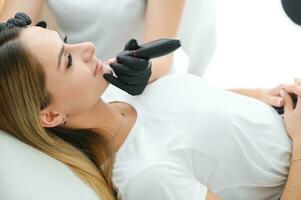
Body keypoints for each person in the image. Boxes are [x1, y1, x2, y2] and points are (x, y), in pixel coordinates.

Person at [1, 19, 301, 200]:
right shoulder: (147, 177)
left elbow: (196, 114)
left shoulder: (120, 90)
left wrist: (261, 96)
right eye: (67, 60)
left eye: (66, 42)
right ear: (51, 115)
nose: (88, 47)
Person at [0, 0, 185, 94]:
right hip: (77, 87)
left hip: (146, 81)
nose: (90, 47)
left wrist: (143, 70)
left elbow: (161, 57)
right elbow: (7, 37)